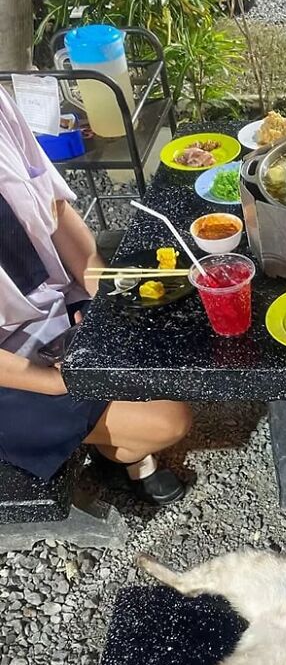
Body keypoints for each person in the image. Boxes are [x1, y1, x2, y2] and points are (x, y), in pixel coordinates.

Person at [0, 86, 192, 505]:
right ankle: (120, 451)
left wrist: (103, 296)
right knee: (167, 421)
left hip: (56, 307)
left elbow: (55, 206)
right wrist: (56, 382)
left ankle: (115, 447)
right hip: (8, 367)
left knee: (180, 341)